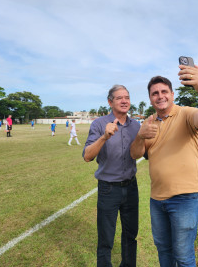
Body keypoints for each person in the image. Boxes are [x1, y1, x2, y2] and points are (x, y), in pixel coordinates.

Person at [130, 64, 198, 266]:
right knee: (164, 252)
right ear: (150, 98)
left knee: (183, 256)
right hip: (157, 200)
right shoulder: (149, 122)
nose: (160, 96)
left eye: (164, 92)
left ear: (172, 94)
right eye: (154, 93)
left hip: (185, 198)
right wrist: (140, 136)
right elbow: (135, 154)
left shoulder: (186, 114)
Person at [83, 85, 140, 266]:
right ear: (110, 102)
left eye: (127, 97)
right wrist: (104, 137)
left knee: (130, 235)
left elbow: (143, 152)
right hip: (108, 189)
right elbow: (87, 156)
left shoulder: (136, 126)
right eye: (119, 98)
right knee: (106, 238)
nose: (124, 101)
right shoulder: (99, 124)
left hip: (131, 187)